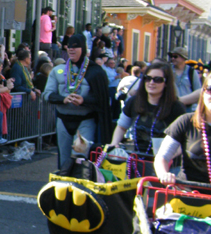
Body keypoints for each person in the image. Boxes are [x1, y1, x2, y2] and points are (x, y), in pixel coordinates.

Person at [43, 34, 112, 168]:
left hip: (85, 120)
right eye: (69, 47)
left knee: (81, 160)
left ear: (83, 49)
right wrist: (63, 99)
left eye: (75, 47)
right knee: (64, 161)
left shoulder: (96, 72)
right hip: (63, 119)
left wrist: (84, 100)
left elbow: (102, 99)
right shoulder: (57, 71)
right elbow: (47, 94)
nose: (71, 50)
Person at [107, 59, 185, 158]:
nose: (151, 82)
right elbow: (121, 126)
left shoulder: (176, 107)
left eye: (157, 79)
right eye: (147, 78)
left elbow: (184, 140)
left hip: (167, 165)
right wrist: (114, 143)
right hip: (139, 161)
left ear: (166, 83)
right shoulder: (134, 101)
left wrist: (166, 158)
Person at [155, 69, 211, 185]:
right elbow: (162, 157)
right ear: (203, 92)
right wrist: (163, 174)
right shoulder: (185, 121)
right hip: (186, 192)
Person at [168, 46, 201, 112]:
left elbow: (198, 90)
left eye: (175, 56)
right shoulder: (168, 70)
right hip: (170, 106)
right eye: (171, 56)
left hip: (187, 107)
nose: (172, 58)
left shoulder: (191, 72)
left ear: (183, 58)